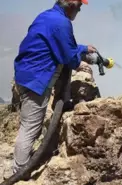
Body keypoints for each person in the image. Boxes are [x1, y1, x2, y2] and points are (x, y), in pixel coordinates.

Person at [11, 0, 96, 179]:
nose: (80, 10)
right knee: (30, 128)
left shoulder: (48, 16)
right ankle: (19, 172)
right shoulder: (62, 23)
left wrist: (83, 48)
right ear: (71, 5)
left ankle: (21, 166)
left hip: (26, 73)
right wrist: (83, 62)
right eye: (79, 6)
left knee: (30, 125)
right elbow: (69, 57)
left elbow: (61, 43)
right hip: (36, 79)